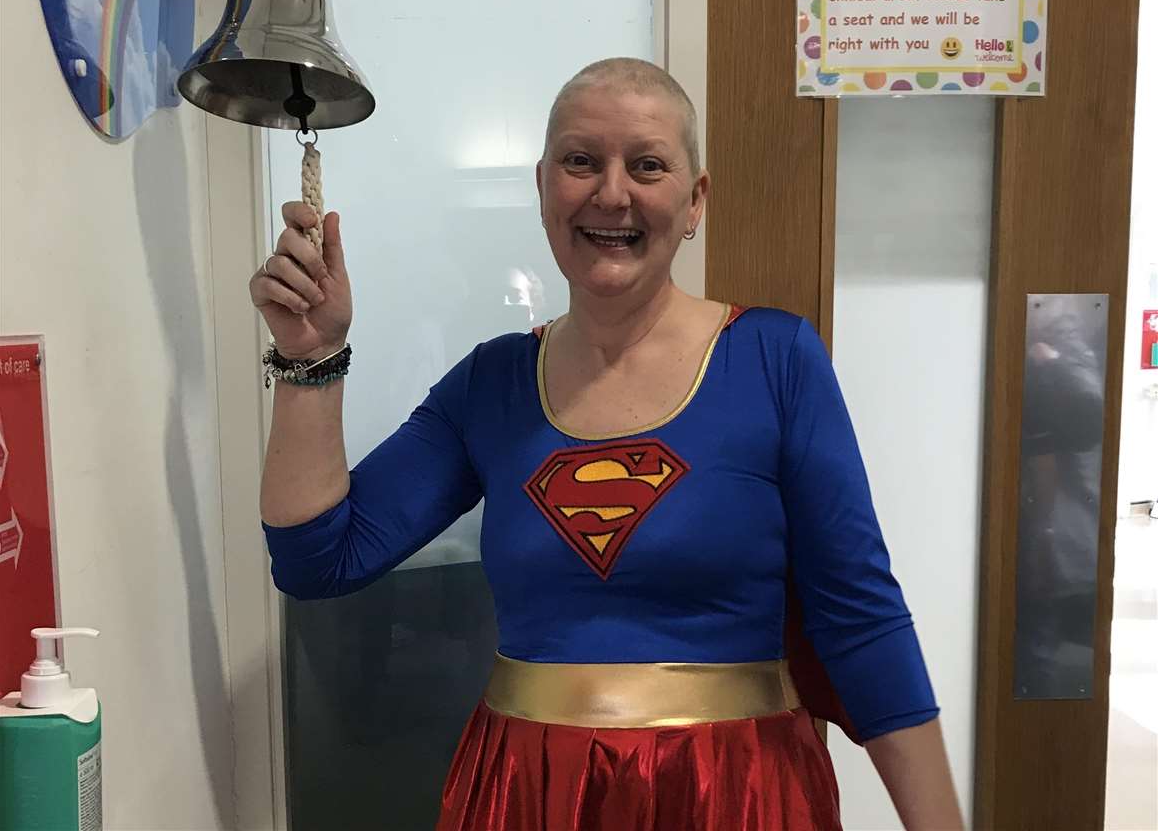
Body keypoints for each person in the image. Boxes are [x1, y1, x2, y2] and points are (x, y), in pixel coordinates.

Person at [252, 58, 964, 830]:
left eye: (648, 165)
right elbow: (317, 560)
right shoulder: (492, 384)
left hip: (737, 795)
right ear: (543, 186)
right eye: (581, 161)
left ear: (695, 202)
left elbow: (861, 620)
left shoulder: (775, 359)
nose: (612, 193)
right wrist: (310, 358)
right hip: (529, 795)